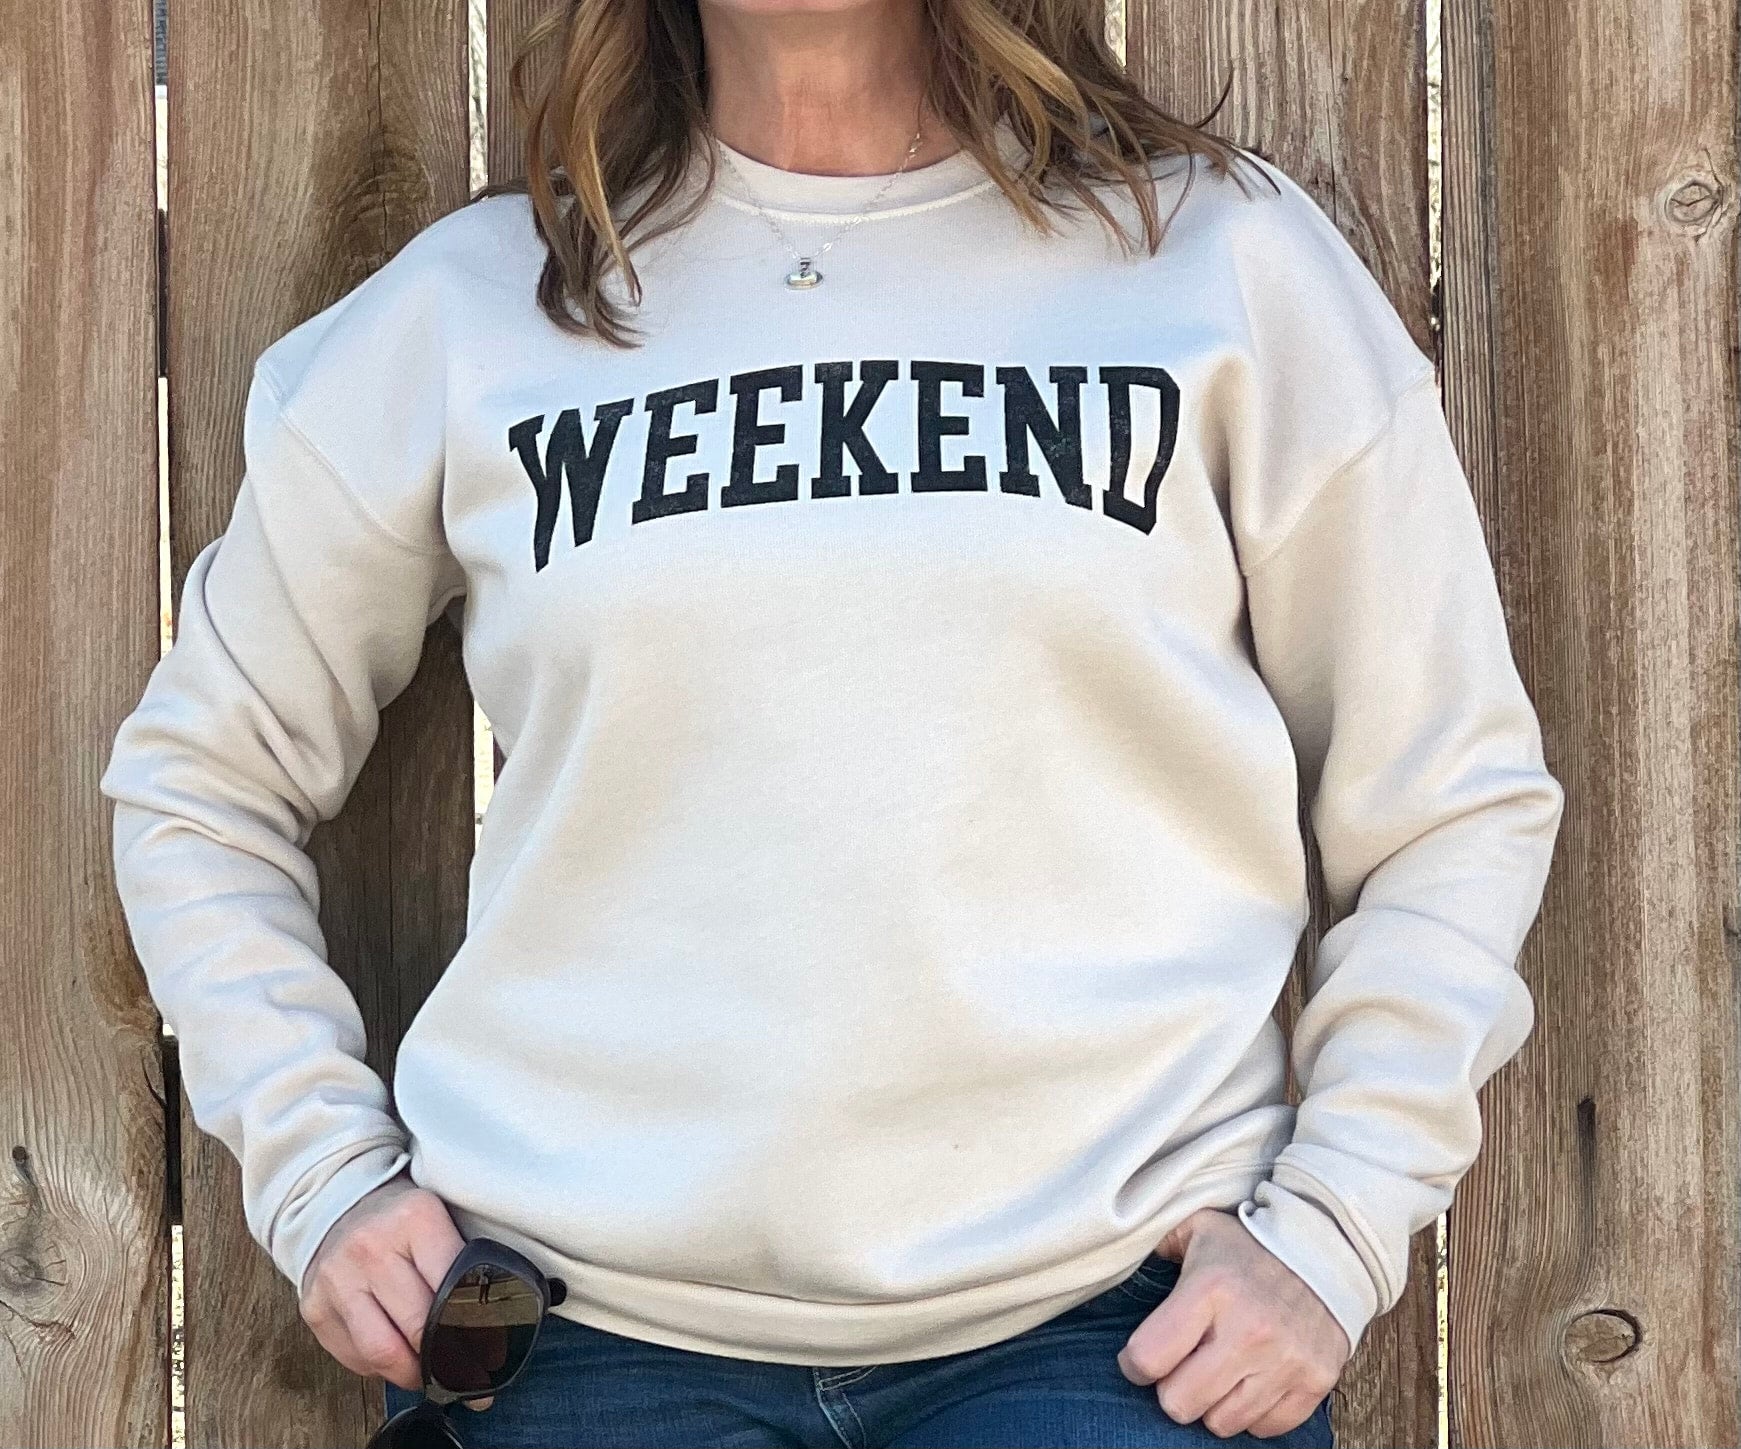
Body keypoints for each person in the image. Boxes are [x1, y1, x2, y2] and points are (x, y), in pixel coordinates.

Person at [98, 0, 1566, 1440]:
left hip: (1111, 1336)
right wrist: (321, 1173)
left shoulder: (1219, 260)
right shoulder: (475, 309)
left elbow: (1451, 797)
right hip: (578, 1343)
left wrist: (1332, 1228)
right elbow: (200, 781)